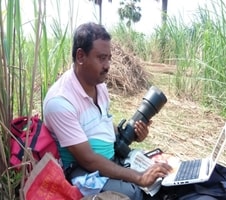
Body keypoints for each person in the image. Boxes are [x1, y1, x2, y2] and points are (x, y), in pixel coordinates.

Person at [43, 22, 172, 200]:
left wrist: (133, 134)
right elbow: (87, 159)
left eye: (109, 58)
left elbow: (103, 124)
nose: (107, 65)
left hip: (111, 159)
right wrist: (139, 177)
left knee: (163, 179)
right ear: (80, 56)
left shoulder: (99, 86)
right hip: (83, 173)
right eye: (101, 58)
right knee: (134, 194)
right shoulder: (60, 102)